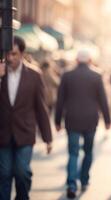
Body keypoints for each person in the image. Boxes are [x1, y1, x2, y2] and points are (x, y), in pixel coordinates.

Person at [0, 36, 53, 200]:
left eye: (14, 54)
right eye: (8, 54)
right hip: (3, 134)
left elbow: (41, 108)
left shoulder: (34, 76)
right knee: (4, 174)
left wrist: (48, 138)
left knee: (22, 173)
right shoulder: (1, 74)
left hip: (25, 133)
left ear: (22, 54)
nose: (10, 58)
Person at [55, 50, 111, 199]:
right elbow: (103, 100)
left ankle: (71, 184)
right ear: (90, 60)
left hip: (72, 119)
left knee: (73, 153)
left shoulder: (67, 75)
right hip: (90, 120)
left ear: (77, 60)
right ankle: (84, 179)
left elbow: (60, 100)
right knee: (88, 151)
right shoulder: (96, 75)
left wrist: (57, 120)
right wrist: (107, 120)